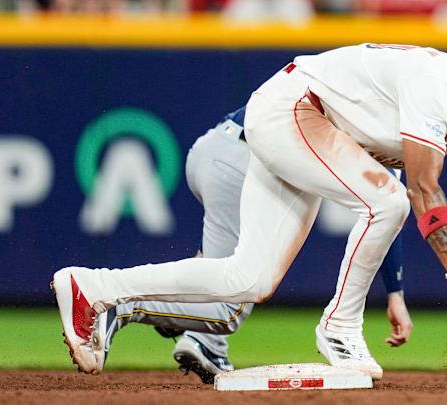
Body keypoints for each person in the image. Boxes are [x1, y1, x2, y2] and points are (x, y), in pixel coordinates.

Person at [51, 39, 447, 380]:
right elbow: (424, 188)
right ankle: (340, 328)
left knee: (249, 279)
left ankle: (93, 288)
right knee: (387, 198)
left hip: (311, 128)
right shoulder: (440, 84)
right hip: (292, 108)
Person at [100, 106, 412, 383]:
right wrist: (395, 294)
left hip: (213, 148)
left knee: (221, 272)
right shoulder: (381, 122)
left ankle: (205, 344)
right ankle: (124, 303)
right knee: (231, 304)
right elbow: (384, 214)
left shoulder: (344, 82)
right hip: (245, 164)